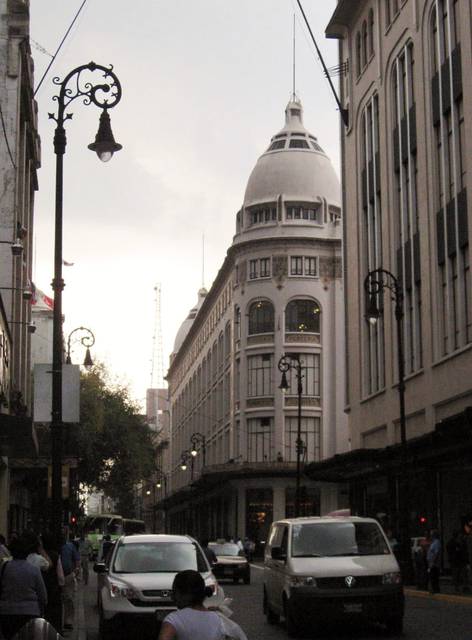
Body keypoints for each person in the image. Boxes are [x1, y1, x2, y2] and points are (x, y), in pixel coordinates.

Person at [158, 570, 247, 640]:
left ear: (184, 594)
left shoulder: (174, 620)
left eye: (174, 592)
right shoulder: (219, 619)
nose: (172, 597)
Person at [0, 536, 48, 640]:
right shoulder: (34, 570)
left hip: (7, 612)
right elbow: (42, 595)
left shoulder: (4, 567)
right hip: (30, 612)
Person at [41, 532, 64, 634]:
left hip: (41, 587)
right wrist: (61, 586)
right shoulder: (55, 555)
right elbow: (60, 575)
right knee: (55, 613)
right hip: (54, 589)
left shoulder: (39, 555)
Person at [60, 534, 80, 630]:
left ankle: (68, 621)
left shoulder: (70, 546)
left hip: (68, 575)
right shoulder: (55, 547)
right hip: (56, 576)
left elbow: (77, 560)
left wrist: (75, 572)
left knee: (69, 599)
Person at [427, 529, 442, 594]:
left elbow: (436, 553)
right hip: (431, 562)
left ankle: (435, 589)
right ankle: (433, 589)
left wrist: (433, 562)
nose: (431, 536)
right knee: (432, 576)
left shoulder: (436, 542)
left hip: (434, 563)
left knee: (434, 576)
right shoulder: (433, 542)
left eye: (431, 534)